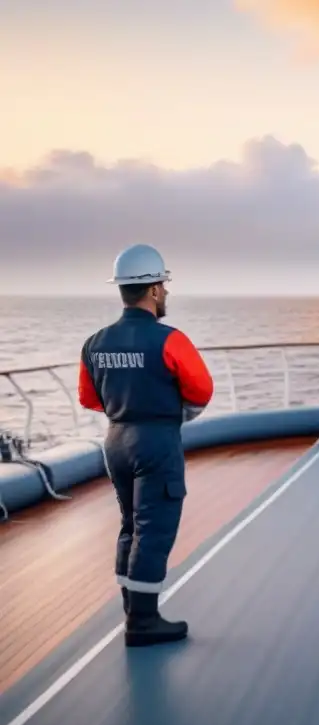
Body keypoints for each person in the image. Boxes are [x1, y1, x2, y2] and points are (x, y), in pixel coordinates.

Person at [78, 244, 214, 646]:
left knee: (129, 527)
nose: (167, 294)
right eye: (164, 286)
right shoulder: (169, 340)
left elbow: (88, 399)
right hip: (155, 443)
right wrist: (171, 412)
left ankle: (131, 611)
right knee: (153, 531)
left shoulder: (95, 342)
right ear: (153, 290)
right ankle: (143, 623)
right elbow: (202, 390)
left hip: (116, 441)